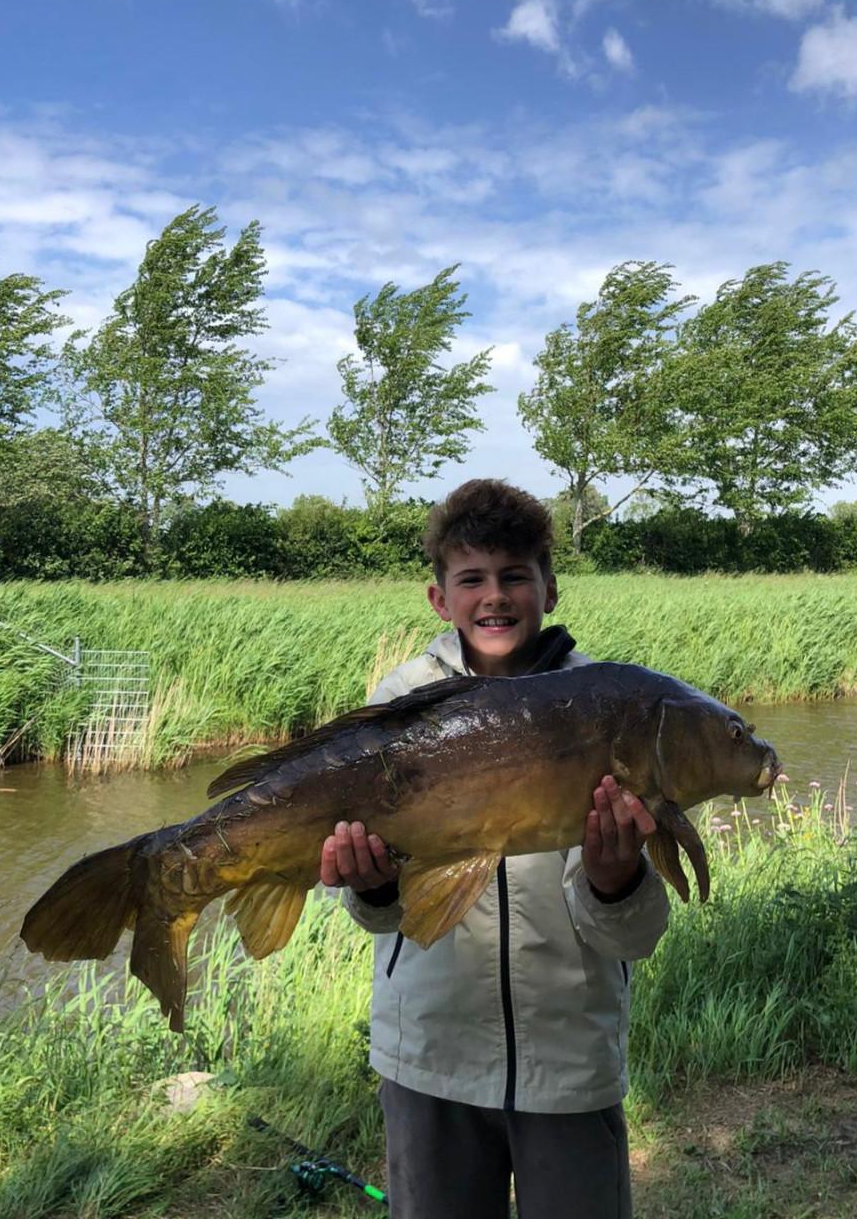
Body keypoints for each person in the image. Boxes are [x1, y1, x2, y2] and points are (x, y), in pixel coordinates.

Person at [320, 479, 669, 1218]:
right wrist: (371, 886)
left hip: (569, 1063)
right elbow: (383, 918)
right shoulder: (400, 700)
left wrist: (615, 880)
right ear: (439, 599)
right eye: (471, 578)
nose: (495, 596)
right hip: (429, 1057)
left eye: (515, 575)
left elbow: (632, 936)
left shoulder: (608, 707)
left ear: (550, 588)